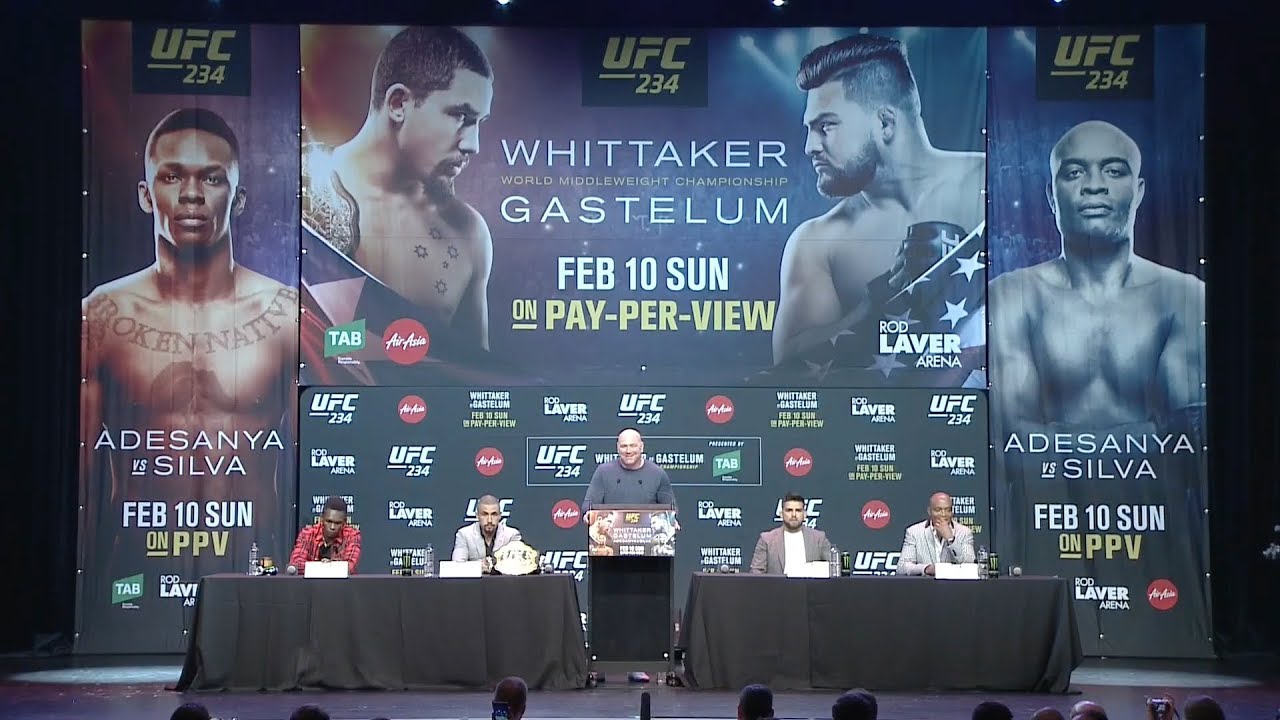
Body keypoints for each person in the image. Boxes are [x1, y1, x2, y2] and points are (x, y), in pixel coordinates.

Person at [81, 107, 297, 562]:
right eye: (172, 176)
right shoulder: (103, 317)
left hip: (255, 558)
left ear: (238, 199)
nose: (192, 195)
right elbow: (83, 478)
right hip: (132, 559)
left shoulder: (284, 317)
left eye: (212, 178)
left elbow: (310, 465)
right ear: (146, 194)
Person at [773, 33, 985, 367]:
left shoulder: (987, 184)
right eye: (809, 129)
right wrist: (876, 304)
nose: (809, 147)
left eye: (825, 126)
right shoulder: (818, 243)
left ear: (885, 123)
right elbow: (789, 369)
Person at [989, 120, 1205, 439]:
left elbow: (1189, 436)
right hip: (1047, 479)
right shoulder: (1010, 295)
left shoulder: (1184, 296)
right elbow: (1008, 436)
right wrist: (1151, 434)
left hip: (1147, 479)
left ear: (1139, 191)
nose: (1094, 185)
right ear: (1051, 196)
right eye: (1075, 172)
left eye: (1114, 171)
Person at [301, 25, 495, 369]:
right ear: (398, 104)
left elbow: (473, 379)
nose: (473, 144)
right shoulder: (298, 194)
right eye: (460, 117)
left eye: (479, 122)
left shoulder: (468, 232)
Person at [581, 429, 676, 511]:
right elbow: (588, 506)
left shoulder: (657, 473)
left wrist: (671, 520)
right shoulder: (603, 472)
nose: (628, 451)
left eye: (633, 445)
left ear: (641, 447)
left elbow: (671, 509)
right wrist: (588, 516)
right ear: (617, 448)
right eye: (624, 446)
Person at [895, 492, 975, 576]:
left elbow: (970, 565)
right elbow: (902, 567)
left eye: (948, 510)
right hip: (925, 583)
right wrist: (927, 569)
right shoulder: (914, 532)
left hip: (953, 583)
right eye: (938, 510)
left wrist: (951, 539)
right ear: (929, 511)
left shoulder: (964, 532)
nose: (943, 514)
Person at [750, 493, 832, 575]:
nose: (793, 515)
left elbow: (833, 569)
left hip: (810, 583)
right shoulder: (767, 540)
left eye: (798, 510)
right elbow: (756, 572)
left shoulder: (819, 539)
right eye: (789, 510)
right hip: (778, 583)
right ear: (781, 514)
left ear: (804, 514)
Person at [288, 496, 361, 575]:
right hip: (310, 582)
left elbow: (350, 566)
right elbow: (296, 563)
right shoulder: (308, 533)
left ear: (345, 522)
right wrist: (325, 566)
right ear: (322, 518)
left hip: (340, 582)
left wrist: (326, 566)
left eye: (337, 523)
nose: (332, 527)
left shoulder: (352, 535)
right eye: (329, 521)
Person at [452, 494, 522, 572]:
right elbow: (457, 566)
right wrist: (479, 566)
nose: (489, 520)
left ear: (500, 516)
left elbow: (518, 565)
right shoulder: (464, 534)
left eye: (494, 514)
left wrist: (492, 565)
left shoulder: (512, 535)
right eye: (484, 514)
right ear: (477, 516)